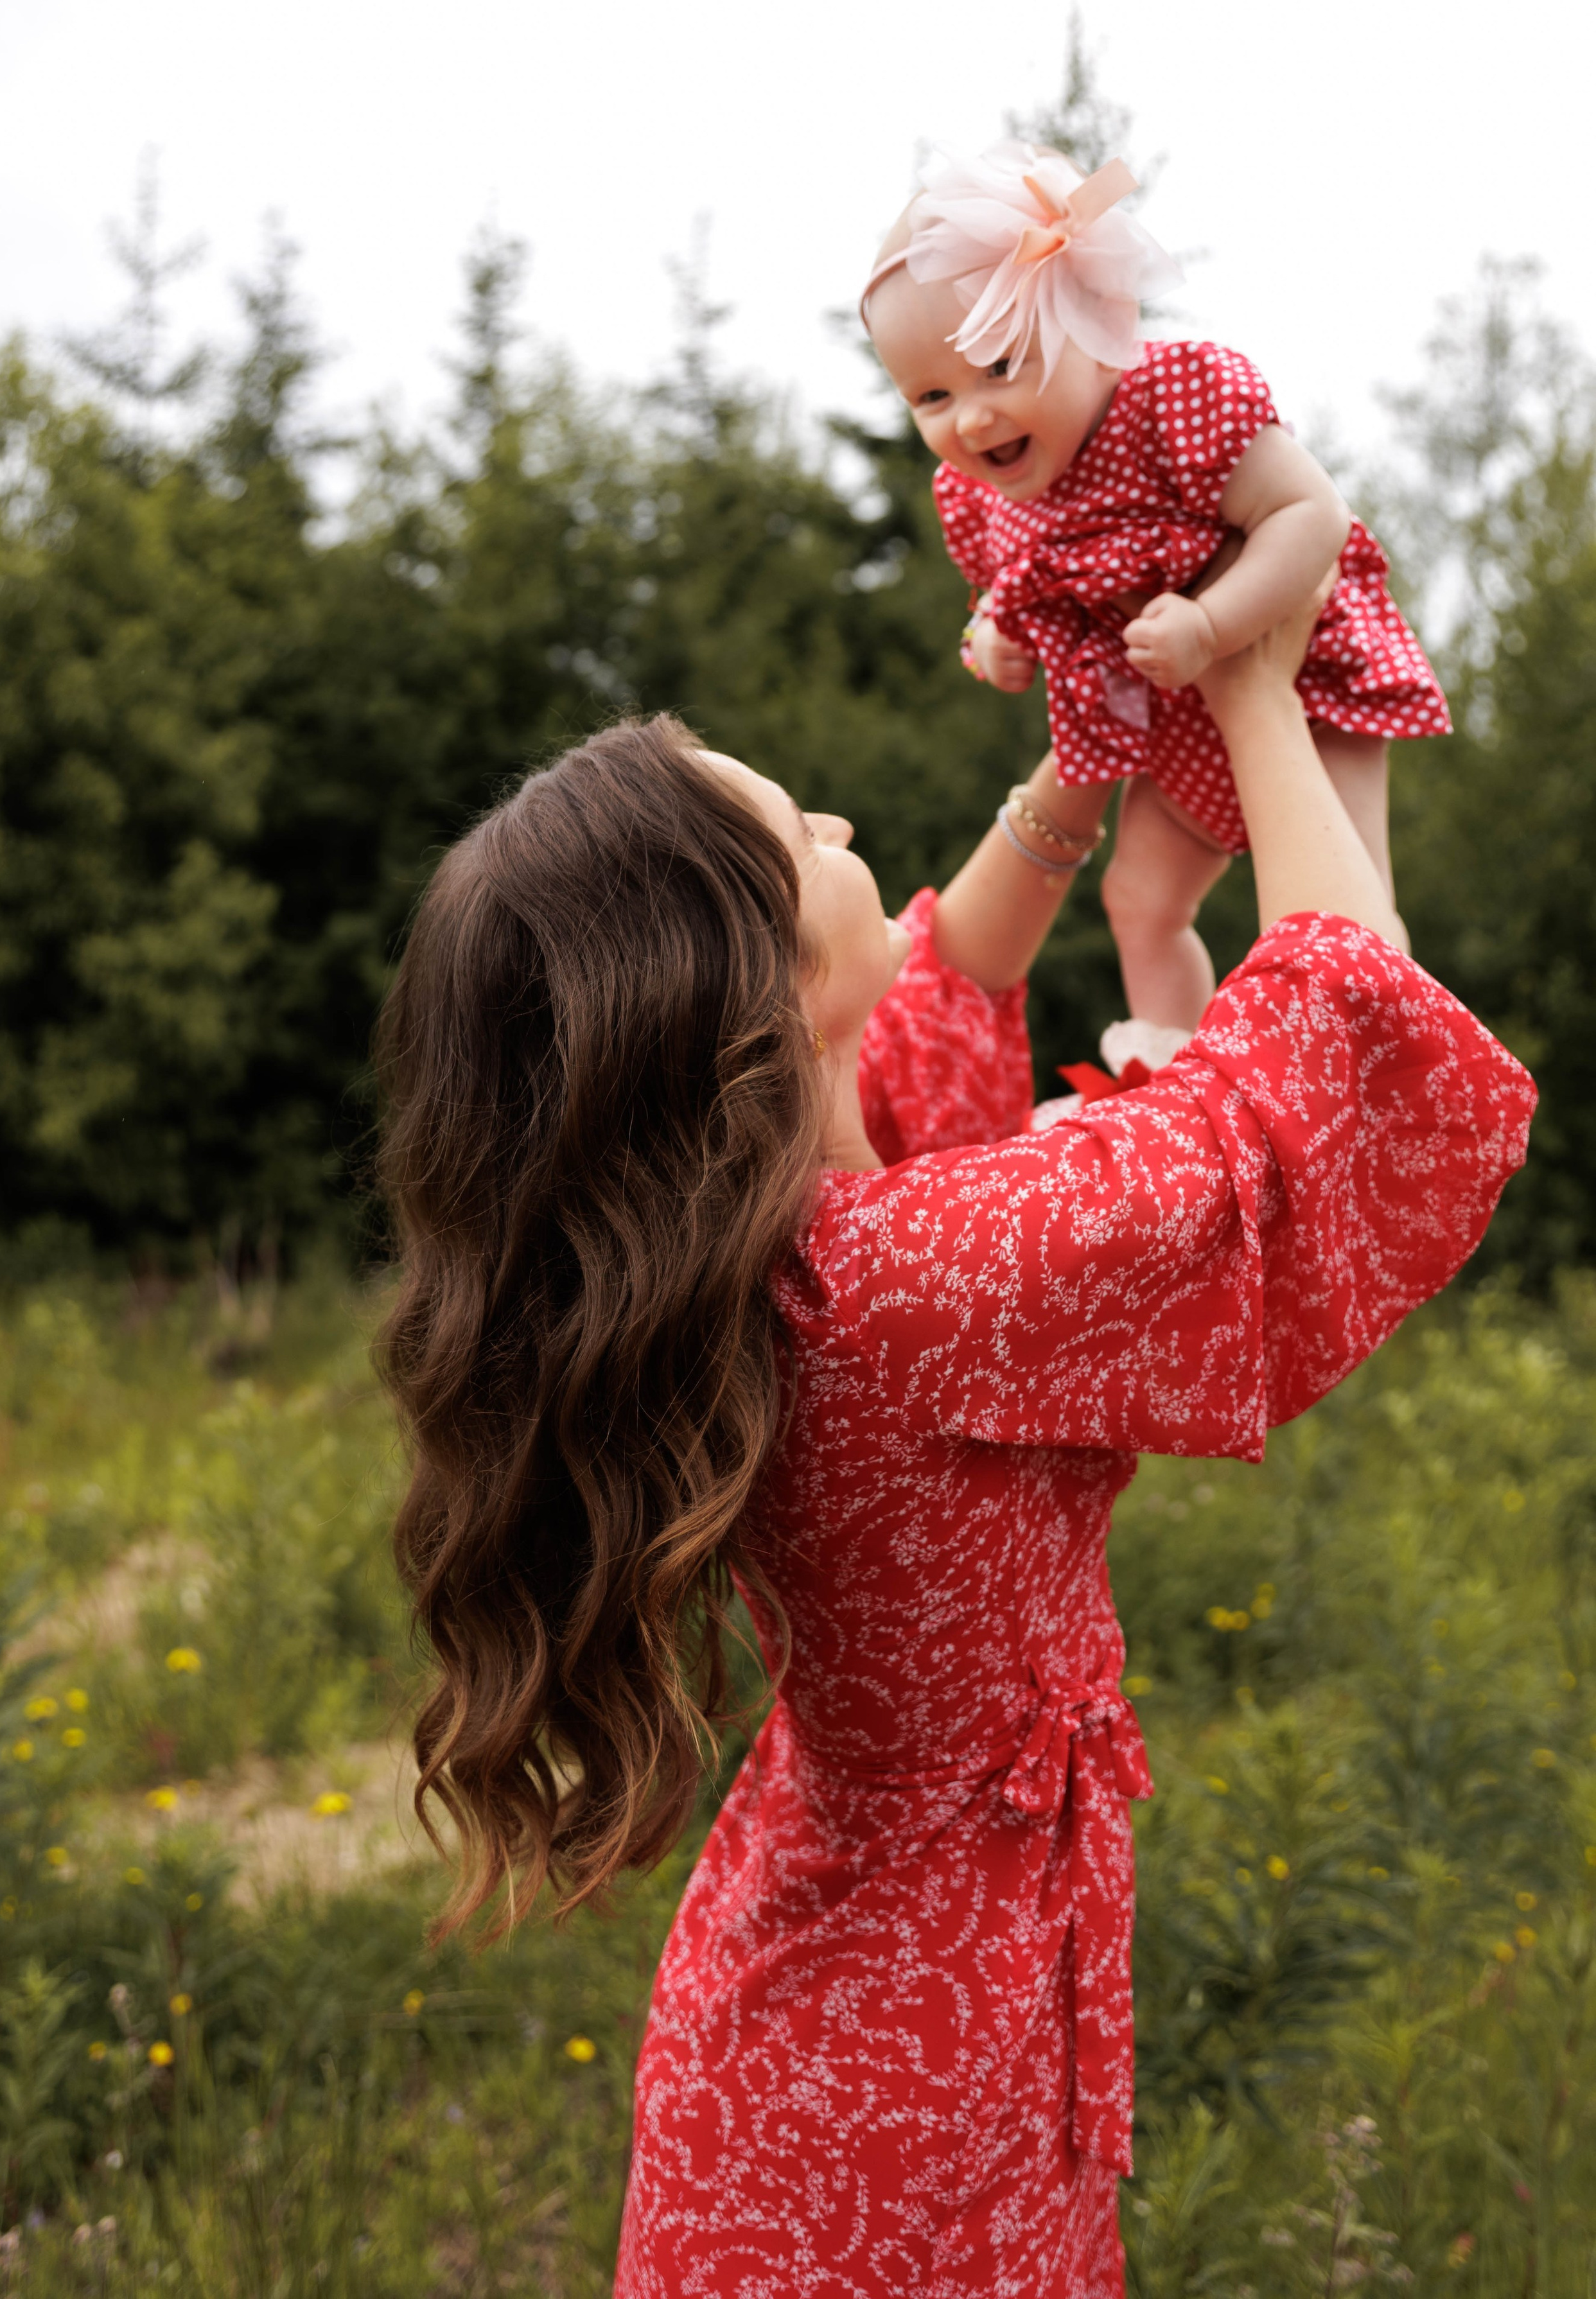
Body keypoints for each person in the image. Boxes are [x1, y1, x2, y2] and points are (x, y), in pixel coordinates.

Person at [373, 600, 1534, 2298]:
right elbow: (1337, 1045)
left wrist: (1085, 764)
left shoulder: (774, 1245)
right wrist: (1260, 680)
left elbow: (956, 977)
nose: (848, 830)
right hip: (909, 2057)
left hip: (851, 2002)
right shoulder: (926, 1276)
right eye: (810, 830)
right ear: (750, 985)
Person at [861, 138, 1451, 1067]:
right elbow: (995, 601)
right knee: (1138, 901)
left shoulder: (1173, 399)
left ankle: (1368, 1066)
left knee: (1349, 909)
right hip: (1170, 713)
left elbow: (1313, 516)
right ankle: (1173, 1081)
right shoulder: (980, 495)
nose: (969, 417)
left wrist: (1216, 623)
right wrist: (990, 644)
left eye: (1001, 367)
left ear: (1097, 320)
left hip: (1301, 670)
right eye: (931, 395)